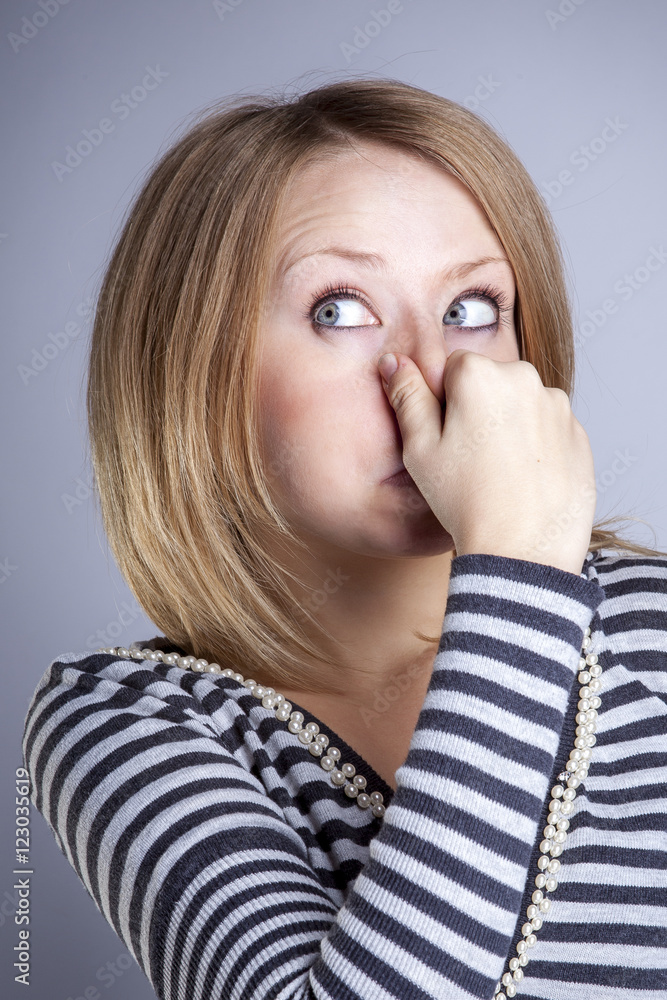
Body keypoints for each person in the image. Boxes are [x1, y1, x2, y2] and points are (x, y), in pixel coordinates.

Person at [22, 77, 667, 999]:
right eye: (338, 309)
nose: (433, 373)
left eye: (472, 309)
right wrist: (516, 573)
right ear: (196, 374)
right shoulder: (134, 720)